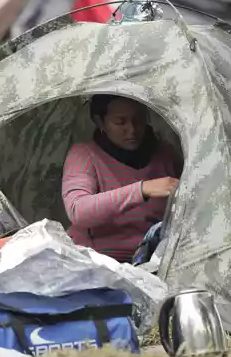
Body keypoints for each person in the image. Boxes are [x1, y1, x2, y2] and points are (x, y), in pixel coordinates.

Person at [61, 94, 181, 262]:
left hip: (154, 259)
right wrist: (142, 189)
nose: (132, 129)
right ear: (100, 122)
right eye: (120, 122)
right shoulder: (84, 155)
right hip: (97, 261)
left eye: (138, 120)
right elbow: (78, 209)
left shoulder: (165, 154)